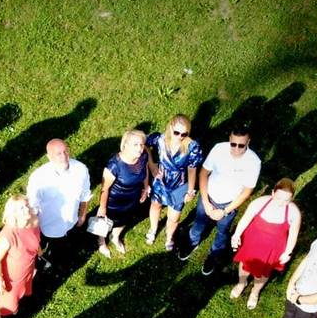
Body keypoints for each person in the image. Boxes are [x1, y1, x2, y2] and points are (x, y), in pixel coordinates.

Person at [186, 124, 261, 276]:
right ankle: (192, 242)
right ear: (229, 140)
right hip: (208, 196)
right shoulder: (219, 149)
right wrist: (206, 202)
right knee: (199, 222)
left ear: (248, 142)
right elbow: (203, 174)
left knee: (222, 232)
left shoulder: (254, 162)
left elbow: (247, 191)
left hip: (228, 204)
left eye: (241, 145)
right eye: (233, 144)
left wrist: (225, 211)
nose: (236, 149)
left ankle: (214, 255)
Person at [229, 178, 302, 309]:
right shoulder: (259, 203)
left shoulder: (293, 213)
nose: (282, 203)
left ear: (291, 199)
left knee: (263, 273)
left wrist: (288, 252)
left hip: (273, 250)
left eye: (287, 200)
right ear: (273, 193)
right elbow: (246, 218)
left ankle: (255, 292)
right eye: (279, 198)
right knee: (245, 265)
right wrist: (237, 234)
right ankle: (241, 283)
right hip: (252, 242)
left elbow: (293, 234)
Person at [26, 138, 91, 269]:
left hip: (70, 223)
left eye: (66, 151)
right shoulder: (38, 178)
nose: (64, 156)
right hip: (46, 227)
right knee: (39, 249)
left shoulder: (81, 169)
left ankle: (58, 260)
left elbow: (85, 195)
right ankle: (38, 261)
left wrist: (82, 215)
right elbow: (32, 207)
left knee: (62, 248)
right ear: (49, 157)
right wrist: (33, 232)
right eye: (58, 153)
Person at [145, 115, 202, 252]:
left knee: (174, 216)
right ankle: (153, 229)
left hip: (179, 184)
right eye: (177, 132)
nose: (180, 136)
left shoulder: (192, 146)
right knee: (156, 205)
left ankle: (169, 237)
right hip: (161, 179)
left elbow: (192, 170)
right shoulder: (160, 139)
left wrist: (190, 190)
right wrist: (152, 164)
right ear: (171, 127)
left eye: (184, 133)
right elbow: (144, 144)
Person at [96, 129, 150, 257]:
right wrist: (102, 208)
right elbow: (104, 189)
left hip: (132, 199)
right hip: (114, 203)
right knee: (105, 222)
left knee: (125, 219)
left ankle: (115, 237)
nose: (140, 148)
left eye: (141, 144)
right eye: (135, 145)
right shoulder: (114, 165)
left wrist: (145, 187)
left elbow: (145, 170)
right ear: (125, 145)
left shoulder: (143, 156)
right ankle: (101, 242)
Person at [0, 195, 41, 318]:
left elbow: (36, 240)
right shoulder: (8, 236)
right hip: (12, 276)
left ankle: (16, 300)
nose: (27, 209)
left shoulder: (34, 221)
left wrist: (38, 251)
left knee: (23, 288)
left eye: (26, 205)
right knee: (8, 299)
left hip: (28, 266)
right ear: (13, 214)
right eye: (21, 208)